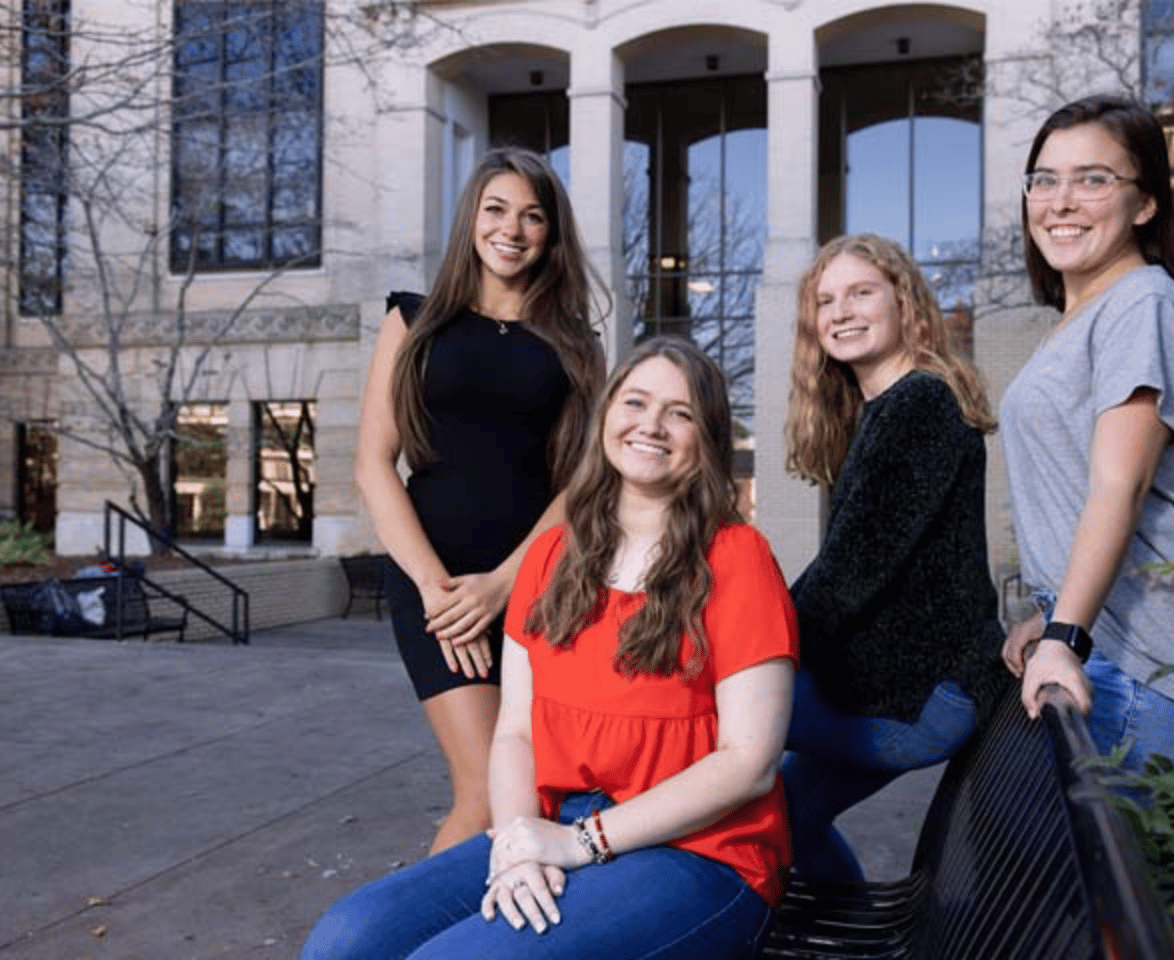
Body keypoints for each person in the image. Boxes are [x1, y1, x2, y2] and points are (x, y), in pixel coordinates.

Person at [303, 336, 798, 960]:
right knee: (345, 940)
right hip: (553, 823)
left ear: (709, 439)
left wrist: (581, 843)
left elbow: (748, 763)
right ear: (606, 419)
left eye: (681, 412)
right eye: (636, 402)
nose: (652, 425)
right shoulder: (550, 557)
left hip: (700, 851)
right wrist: (514, 843)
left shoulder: (737, 558)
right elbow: (514, 733)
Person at [355, 147, 605, 853]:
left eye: (533, 216)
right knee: (485, 794)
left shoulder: (575, 346)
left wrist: (506, 583)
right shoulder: (414, 322)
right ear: (472, 218)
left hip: (536, 586)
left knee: (535, 788)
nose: (513, 229)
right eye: (497, 210)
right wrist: (438, 592)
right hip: (436, 587)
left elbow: (583, 482)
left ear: (551, 235)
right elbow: (374, 465)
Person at [1000, 94, 1174, 772]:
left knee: (1085, 877)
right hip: (1099, 646)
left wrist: (1066, 635)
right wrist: (1052, 616)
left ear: (1145, 205)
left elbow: (1120, 483)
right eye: (1044, 180)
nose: (1062, 200)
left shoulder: (1143, 303)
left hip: (1142, 665)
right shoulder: (1090, 315)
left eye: (1093, 179)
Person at [780, 234, 1009, 883]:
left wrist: (751, 648)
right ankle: (849, 931)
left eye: (860, 292)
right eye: (825, 300)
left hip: (921, 698)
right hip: (898, 688)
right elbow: (847, 566)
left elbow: (851, 573)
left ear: (902, 300)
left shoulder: (920, 403)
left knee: (706, 710)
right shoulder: (883, 410)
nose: (840, 311)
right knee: (782, 817)